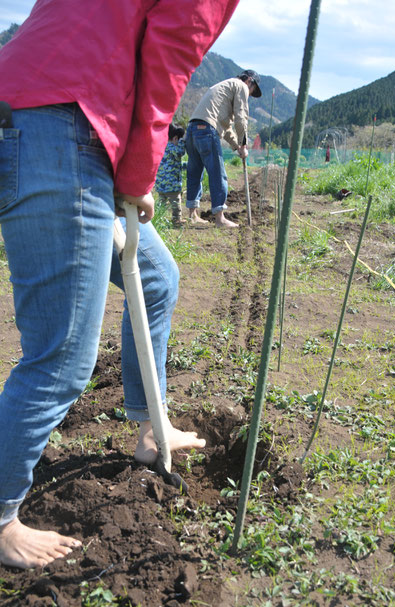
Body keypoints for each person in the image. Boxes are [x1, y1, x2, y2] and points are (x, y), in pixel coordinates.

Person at [0, 0, 240, 570]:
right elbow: (165, 69)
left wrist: (126, 170)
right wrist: (135, 177)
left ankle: (151, 430)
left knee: (155, 278)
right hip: (59, 130)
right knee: (59, 358)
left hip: (42, 114)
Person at [185, 70, 262, 228]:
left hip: (192, 130)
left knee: (194, 172)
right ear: (249, 81)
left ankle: (192, 215)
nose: (249, 95)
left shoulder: (223, 88)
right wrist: (244, 144)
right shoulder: (240, 86)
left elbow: (226, 129)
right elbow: (241, 117)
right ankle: (220, 218)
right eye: (252, 91)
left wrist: (237, 147)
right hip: (207, 130)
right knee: (217, 174)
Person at [155, 124, 186, 227]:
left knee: (161, 203)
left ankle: (158, 218)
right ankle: (176, 220)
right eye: (178, 140)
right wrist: (182, 142)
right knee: (175, 202)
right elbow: (180, 153)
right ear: (175, 138)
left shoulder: (161, 146)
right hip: (171, 184)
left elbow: (171, 163)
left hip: (161, 183)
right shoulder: (173, 147)